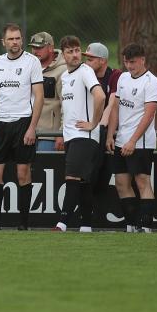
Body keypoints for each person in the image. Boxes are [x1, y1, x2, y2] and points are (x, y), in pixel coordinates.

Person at [0, 23, 44, 230]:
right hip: (1, 124)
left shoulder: (32, 62)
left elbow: (39, 97)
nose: (15, 42)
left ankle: (23, 224)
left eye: (18, 38)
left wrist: (32, 127)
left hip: (23, 122)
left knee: (22, 174)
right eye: (11, 39)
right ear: (3, 42)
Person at [105, 43, 157, 233]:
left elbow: (149, 115)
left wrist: (133, 141)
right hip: (121, 139)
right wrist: (111, 134)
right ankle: (131, 225)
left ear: (142, 60)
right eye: (126, 62)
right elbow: (116, 108)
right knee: (121, 183)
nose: (129, 66)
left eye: (133, 62)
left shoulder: (151, 82)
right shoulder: (122, 78)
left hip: (141, 142)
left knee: (142, 181)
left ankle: (146, 227)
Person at [53, 36, 105, 232]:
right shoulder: (65, 77)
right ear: (63, 54)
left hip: (84, 136)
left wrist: (94, 123)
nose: (75, 55)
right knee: (83, 183)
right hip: (70, 136)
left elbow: (100, 96)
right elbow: (67, 109)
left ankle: (62, 223)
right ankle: (86, 225)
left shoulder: (85, 71)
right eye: (70, 51)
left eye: (77, 50)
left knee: (72, 177)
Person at [82, 42, 122, 218]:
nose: (87, 62)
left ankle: (98, 214)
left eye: (91, 59)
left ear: (103, 60)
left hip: (103, 130)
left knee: (103, 175)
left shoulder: (114, 76)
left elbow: (111, 104)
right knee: (87, 175)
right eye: (86, 58)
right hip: (87, 129)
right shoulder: (84, 74)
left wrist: (102, 128)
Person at [28, 31, 66, 152]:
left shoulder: (63, 70)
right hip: (28, 132)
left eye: (39, 47)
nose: (35, 51)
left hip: (50, 136)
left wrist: (61, 132)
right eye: (33, 47)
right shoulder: (29, 68)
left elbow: (67, 104)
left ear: (50, 48)